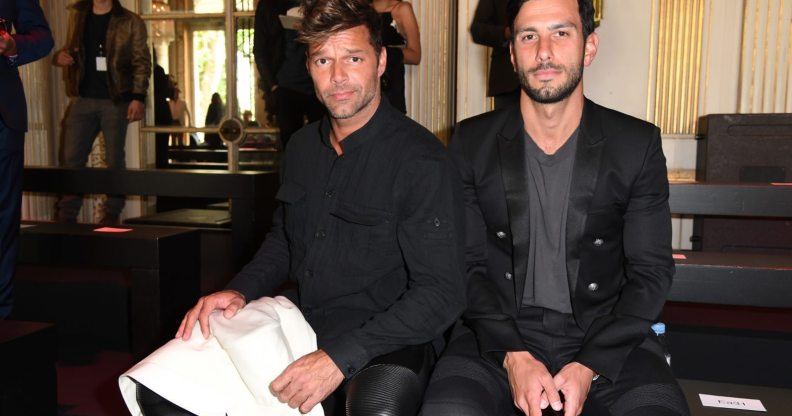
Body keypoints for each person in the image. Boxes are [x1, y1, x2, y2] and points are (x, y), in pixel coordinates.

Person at [134, 0, 465, 415]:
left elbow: (442, 293)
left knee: (377, 408)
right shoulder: (302, 147)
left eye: (354, 58)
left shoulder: (422, 161)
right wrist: (239, 289)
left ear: (381, 61)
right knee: (161, 390)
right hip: (300, 321)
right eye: (323, 60)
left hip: (387, 336)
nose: (338, 77)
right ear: (308, 67)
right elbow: (285, 240)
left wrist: (337, 358)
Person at [421, 0, 691, 415]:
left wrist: (591, 364)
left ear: (589, 47)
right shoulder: (471, 142)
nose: (544, 50)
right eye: (529, 36)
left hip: (607, 330)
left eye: (561, 33)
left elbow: (651, 272)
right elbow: (465, 266)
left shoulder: (634, 145)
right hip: (497, 331)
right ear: (512, 54)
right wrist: (512, 353)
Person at [54, 0, 151, 224]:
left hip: (116, 100)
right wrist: (64, 56)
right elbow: (76, 50)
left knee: (115, 159)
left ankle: (111, 215)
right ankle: (66, 218)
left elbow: (142, 62)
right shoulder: (79, 14)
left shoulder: (131, 21)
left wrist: (137, 98)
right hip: (83, 98)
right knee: (71, 159)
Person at [0, 0, 54, 319]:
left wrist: (11, 45)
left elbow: (43, 37)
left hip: (3, 119)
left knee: (4, 222)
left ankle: (1, 319)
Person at [254, 0, 324, 150]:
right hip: (285, 87)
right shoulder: (269, 5)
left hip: (320, 84)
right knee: (291, 149)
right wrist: (273, 86)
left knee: (324, 146)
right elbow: (260, 49)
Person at [370, 0, 420, 114]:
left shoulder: (401, 9)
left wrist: (383, 52)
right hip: (363, 81)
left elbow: (416, 55)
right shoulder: (359, 8)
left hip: (389, 86)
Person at [470, 0, 520, 110]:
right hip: (506, 79)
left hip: (546, 75)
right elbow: (477, 30)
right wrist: (505, 33)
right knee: (507, 125)